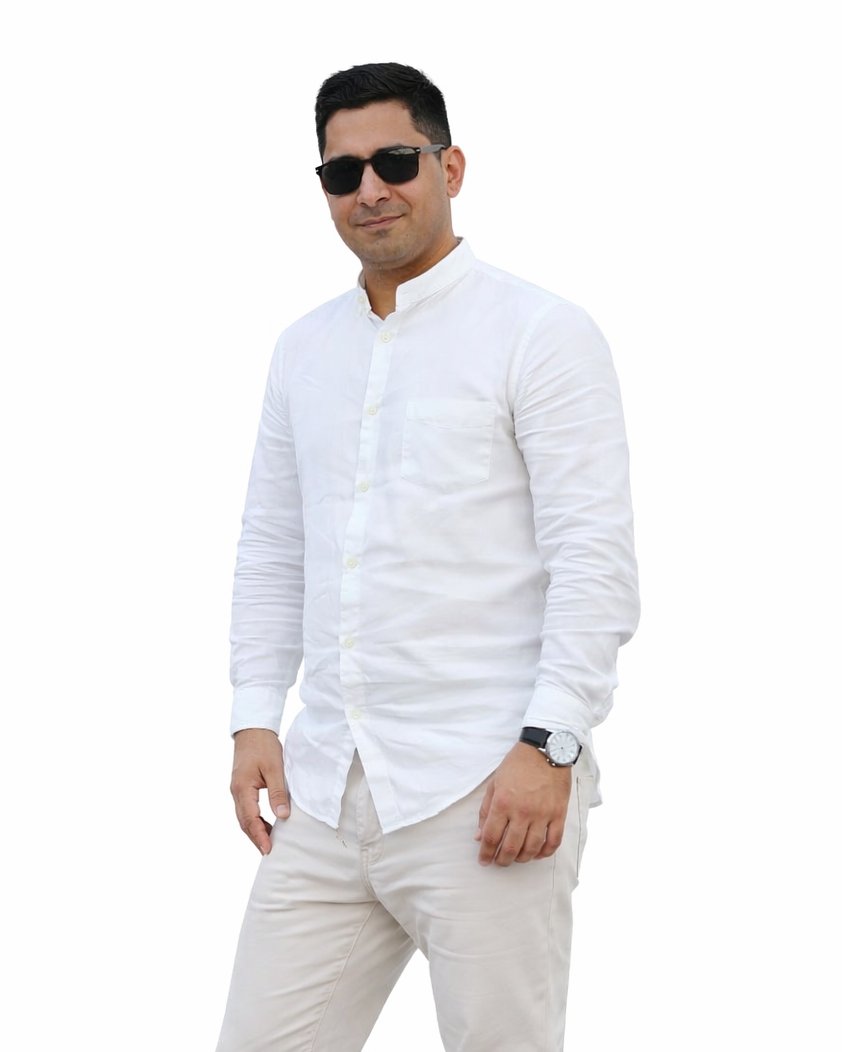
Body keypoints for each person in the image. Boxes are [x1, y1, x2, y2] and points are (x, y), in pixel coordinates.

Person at [215, 61, 639, 1052]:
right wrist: (252, 714)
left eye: (395, 161)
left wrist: (550, 744)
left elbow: (594, 558)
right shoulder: (302, 349)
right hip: (326, 786)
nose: (369, 189)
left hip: (487, 785)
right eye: (342, 172)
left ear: (449, 167)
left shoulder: (539, 333)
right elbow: (273, 544)